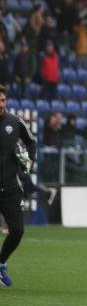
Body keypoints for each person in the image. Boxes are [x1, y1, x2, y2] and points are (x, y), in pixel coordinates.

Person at [0, 86, 36, 287]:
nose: (1, 104)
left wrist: (30, 160)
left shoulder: (14, 122)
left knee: (18, 231)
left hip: (10, 188)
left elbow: (31, 142)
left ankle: (1, 263)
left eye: (3, 100)